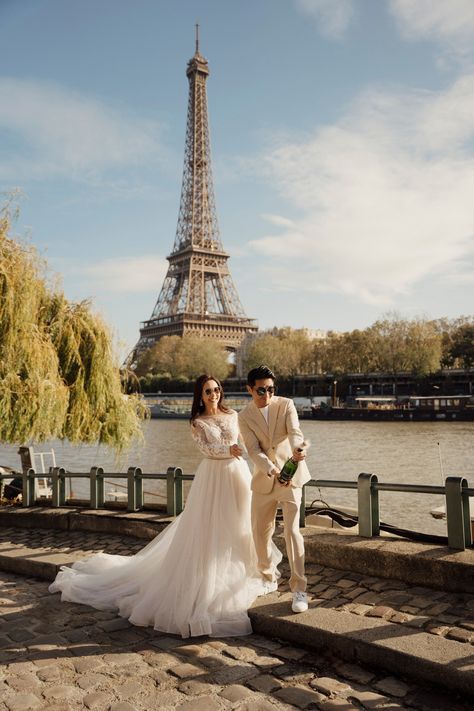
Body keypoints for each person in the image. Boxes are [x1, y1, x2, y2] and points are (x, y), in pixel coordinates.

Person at [49, 374, 280, 638]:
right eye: (207, 391)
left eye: (216, 389)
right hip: (214, 476)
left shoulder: (233, 414)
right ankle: (209, 579)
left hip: (237, 473)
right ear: (200, 395)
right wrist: (230, 451)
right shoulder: (197, 422)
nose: (213, 394)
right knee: (212, 525)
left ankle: (250, 567)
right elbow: (206, 451)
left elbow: (249, 441)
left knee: (242, 521)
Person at [238, 365, 311, 613]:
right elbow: (253, 450)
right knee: (260, 533)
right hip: (265, 479)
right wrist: (272, 470)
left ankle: (299, 589)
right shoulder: (243, 416)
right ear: (249, 389)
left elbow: (294, 432)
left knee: (292, 532)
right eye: (260, 390)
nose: (266, 395)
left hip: (291, 476)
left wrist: (298, 450)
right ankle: (268, 578)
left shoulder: (286, 404)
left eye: (270, 389)